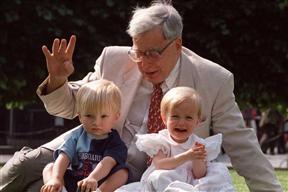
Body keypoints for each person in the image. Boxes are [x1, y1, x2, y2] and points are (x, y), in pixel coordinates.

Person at [0, 1, 283, 192]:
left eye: (153, 53)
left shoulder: (214, 79)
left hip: (136, 176)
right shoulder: (114, 59)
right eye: (138, 51)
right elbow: (74, 103)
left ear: (177, 44)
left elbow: (242, 145)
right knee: (24, 166)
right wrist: (59, 80)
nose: (144, 63)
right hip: (88, 144)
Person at [116, 87, 235, 192]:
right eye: (175, 117)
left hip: (189, 181)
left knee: (219, 173)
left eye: (188, 117)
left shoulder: (198, 143)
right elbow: (160, 165)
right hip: (167, 177)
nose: (181, 122)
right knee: (158, 177)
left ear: (197, 121)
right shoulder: (162, 141)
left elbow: (199, 175)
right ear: (164, 118)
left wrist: (196, 159)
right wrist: (187, 156)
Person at [40, 79, 129, 192]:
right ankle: (59, 188)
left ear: (116, 117)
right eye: (89, 115)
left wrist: (93, 178)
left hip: (98, 182)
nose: (96, 122)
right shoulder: (76, 136)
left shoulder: (114, 142)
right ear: (80, 116)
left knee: (123, 173)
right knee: (49, 168)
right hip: (74, 180)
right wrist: (56, 178)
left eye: (103, 116)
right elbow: (64, 156)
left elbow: (108, 162)